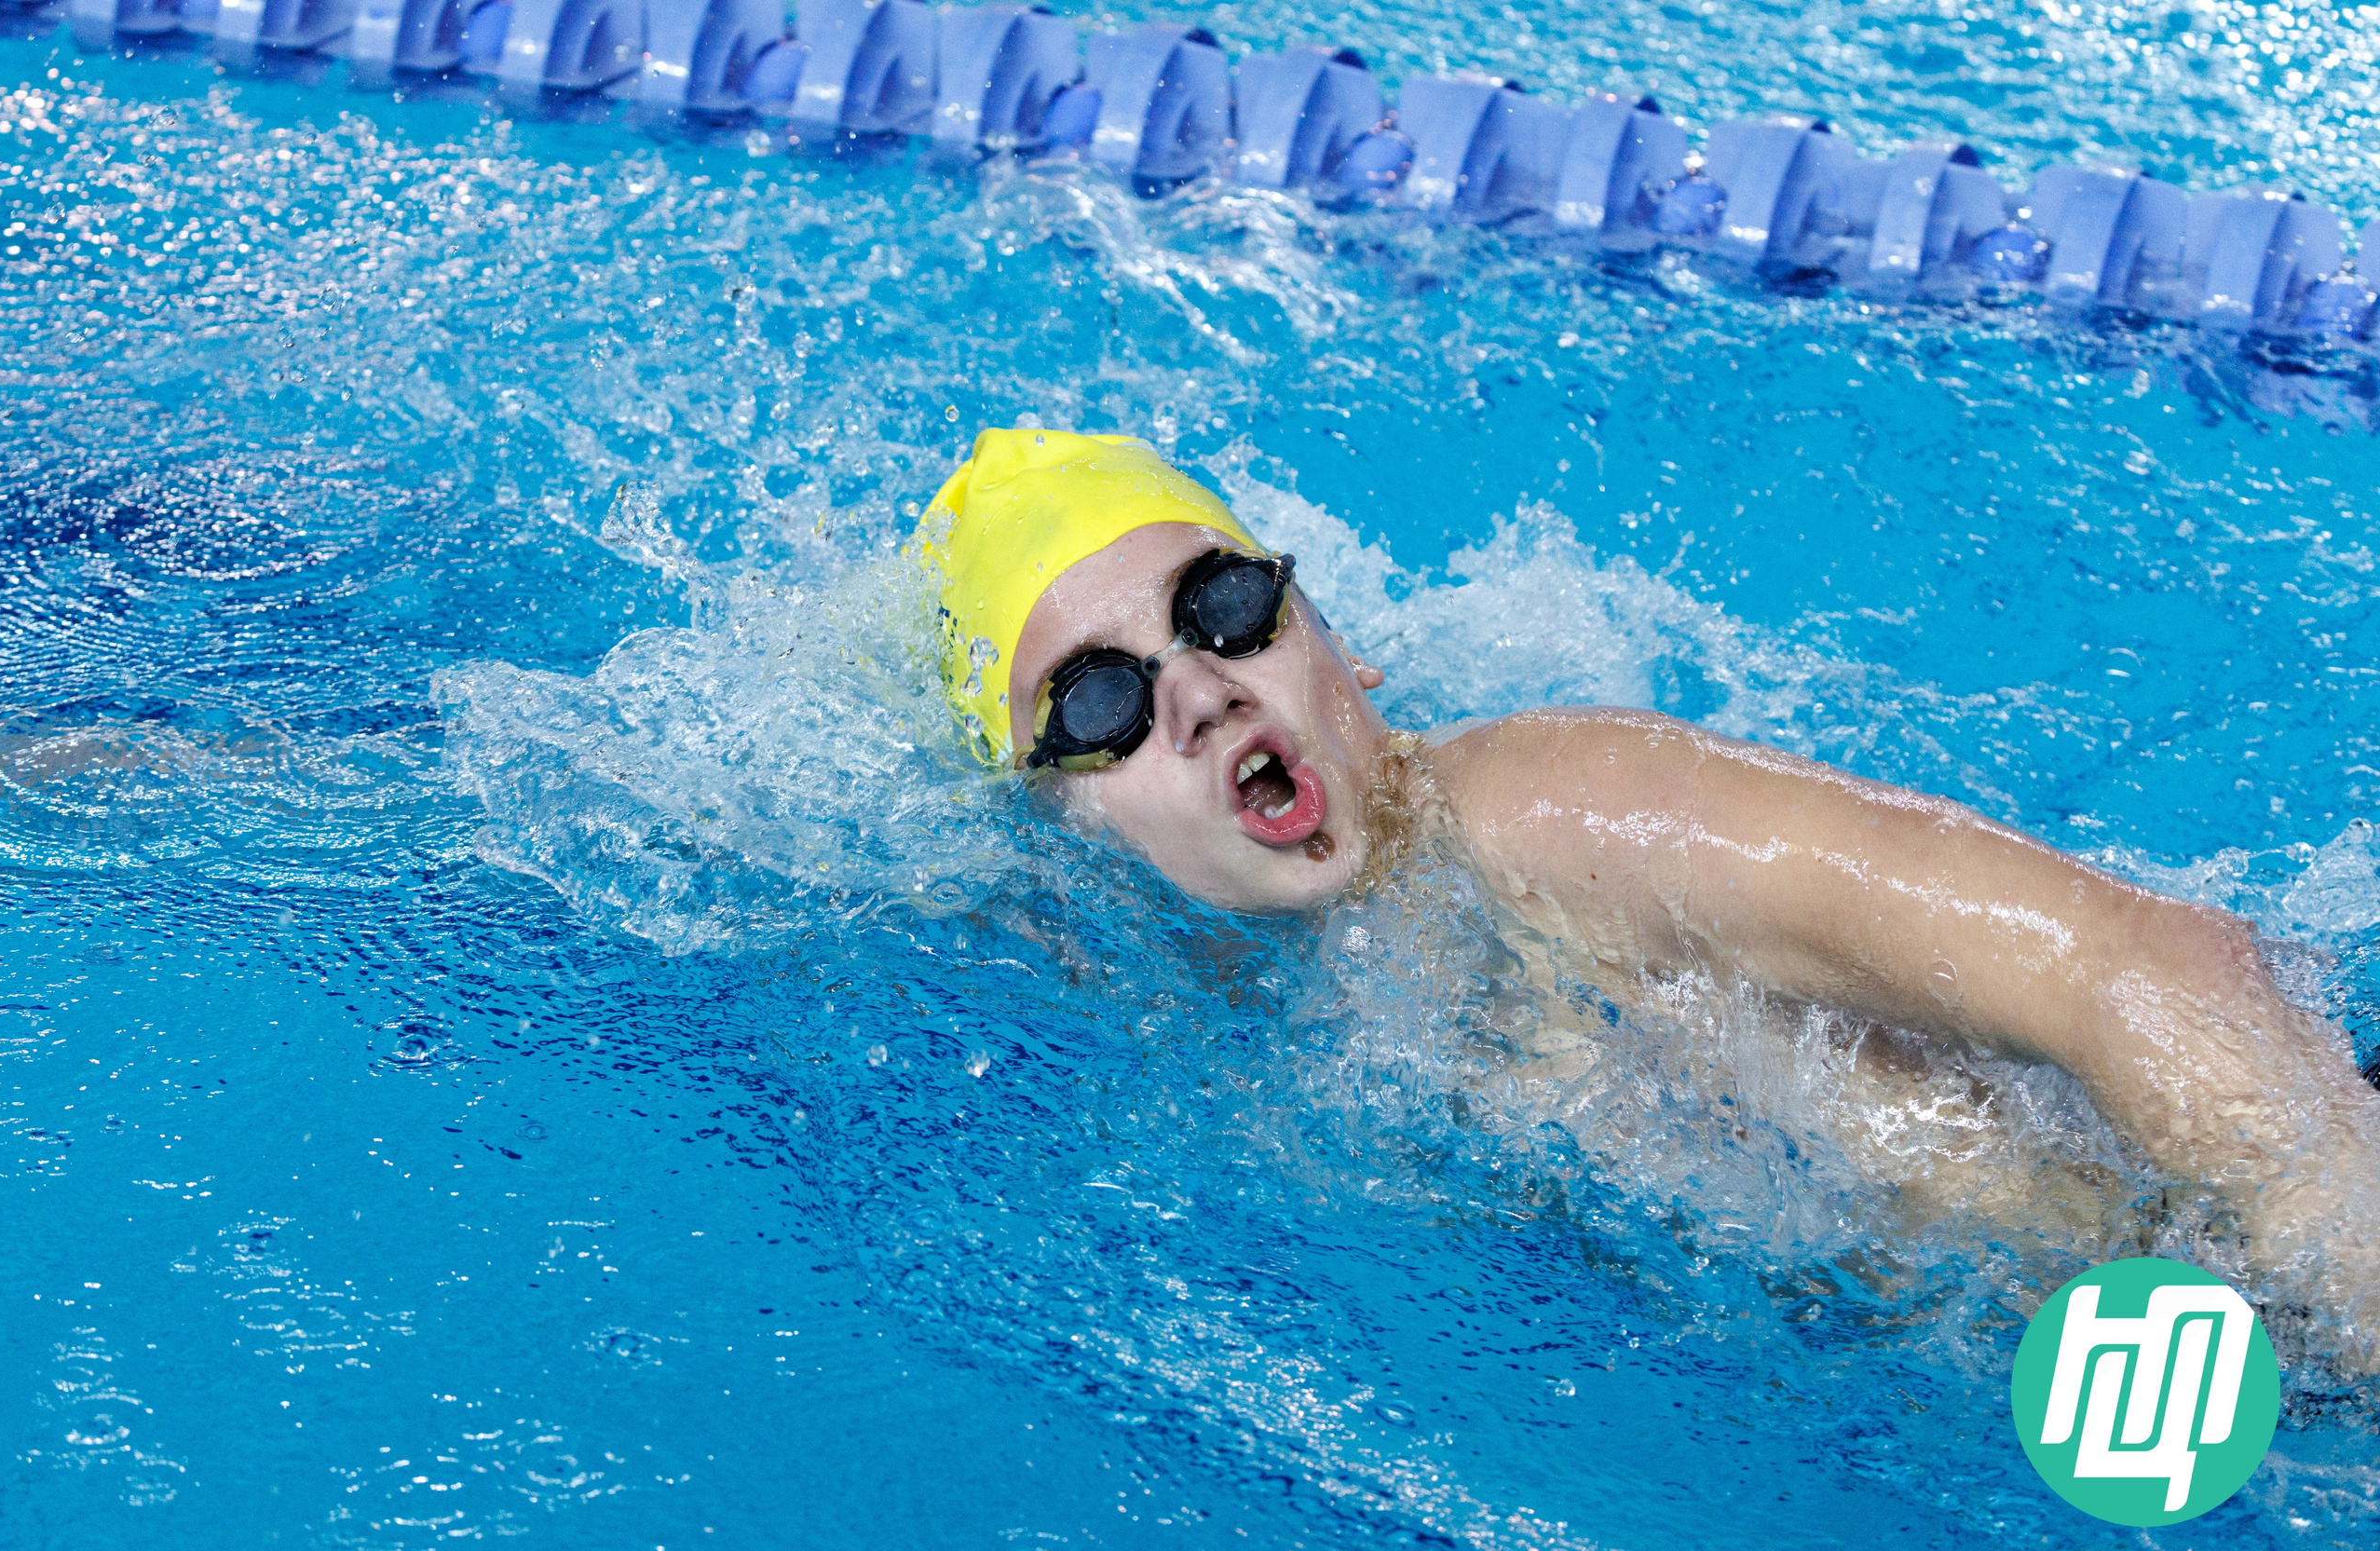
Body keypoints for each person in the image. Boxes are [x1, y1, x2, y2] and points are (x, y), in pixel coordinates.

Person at [916, 426, 2380, 1353]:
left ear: (1340, 651)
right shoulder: (1197, 991)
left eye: (1225, 606)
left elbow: (2153, 965)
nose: (1204, 695)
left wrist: (2339, 1277)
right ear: (1068, 827)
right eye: (1102, 704)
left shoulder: (1559, 817)